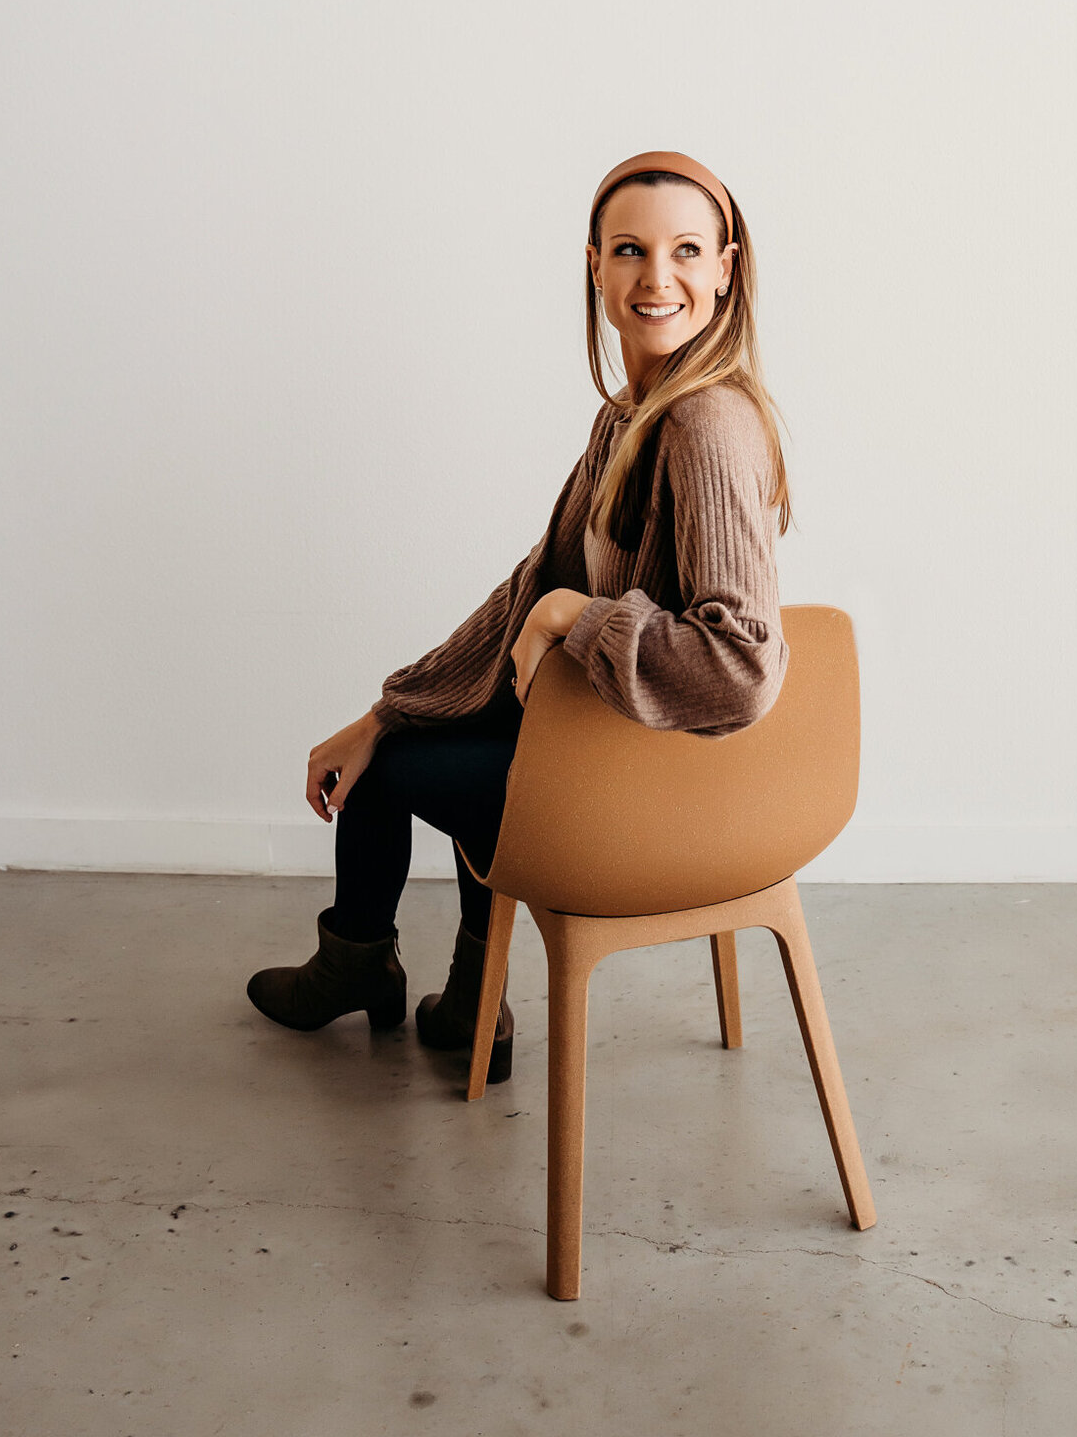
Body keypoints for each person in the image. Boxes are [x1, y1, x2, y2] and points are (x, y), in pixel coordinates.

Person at [246, 151, 793, 1084]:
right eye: (630, 250)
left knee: (389, 778)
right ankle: (461, 999)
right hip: (615, 752)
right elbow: (529, 589)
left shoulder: (703, 426)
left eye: (687, 251)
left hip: (660, 797)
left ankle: (372, 969)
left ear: (727, 267)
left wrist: (577, 617)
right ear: (595, 265)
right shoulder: (631, 414)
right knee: (455, 718)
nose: (657, 279)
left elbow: (741, 666)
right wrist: (390, 708)